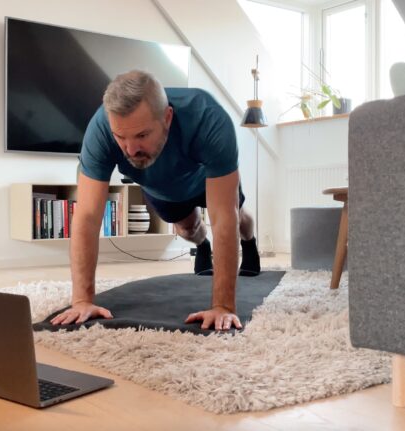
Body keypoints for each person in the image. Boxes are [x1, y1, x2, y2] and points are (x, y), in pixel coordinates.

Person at [50, 70, 260, 331]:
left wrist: (223, 307)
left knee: (238, 217)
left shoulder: (208, 117)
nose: (130, 149)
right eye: (120, 137)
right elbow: (88, 216)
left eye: (141, 136)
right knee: (188, 228)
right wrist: (82, 300)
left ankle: (250, 244)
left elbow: (222, 217)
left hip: (208, 178)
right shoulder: (101, 129)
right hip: (163, 188)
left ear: (167, 117)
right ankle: (202, 247)